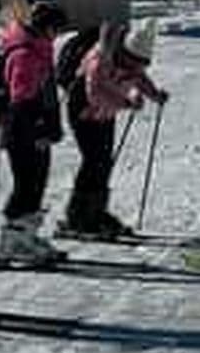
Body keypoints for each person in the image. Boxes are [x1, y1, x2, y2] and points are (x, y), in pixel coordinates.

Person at [62, 18, 168, 239]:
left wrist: (154, 94)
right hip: (84, 113)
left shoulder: (130, 62)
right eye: (134, 62)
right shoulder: (100, 60)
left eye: (142, 64)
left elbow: (139, 78)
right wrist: (126, 103)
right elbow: (95, 93)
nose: (137, 68)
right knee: (93, 162)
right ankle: (78, 217)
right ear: (125, 52)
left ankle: (95, 212)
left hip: (105, 113)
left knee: (103, 163)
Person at [0, 0, 68, 263]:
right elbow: (21, 101)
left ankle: (25, 236)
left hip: (35, 131)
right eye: (56, 28)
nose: (58, 34)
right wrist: (39, 129)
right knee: (26, 185)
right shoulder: (25, 54)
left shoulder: (40, 49)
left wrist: (50, 126)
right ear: (45, 27)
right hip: (23, 132)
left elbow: (46, 95)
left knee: (36, 184)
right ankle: (11, 241)